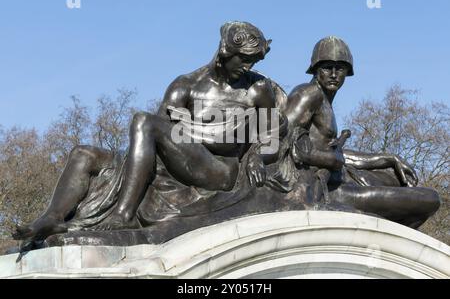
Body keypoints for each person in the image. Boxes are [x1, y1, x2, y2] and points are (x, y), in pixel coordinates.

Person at [14, 21, 285, 243]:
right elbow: (162, 139)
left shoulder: (257, 89)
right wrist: (200, 132)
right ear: (225, 53)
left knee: (144, 121)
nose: (249, 67)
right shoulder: (186, 86)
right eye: (245, 59)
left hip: (219, 171)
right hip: (177, 161)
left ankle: (124, 214)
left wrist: (258, 156)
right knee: (83, 153)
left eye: (253, 61)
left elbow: (271, 137)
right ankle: (53, 216)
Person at [285, 36, 440, 228]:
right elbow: (283, 141)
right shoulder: (307, 94)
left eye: (340, 68)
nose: (333, 74)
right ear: (316, 70)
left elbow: (334, 152)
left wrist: (389, 158)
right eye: (327, 67)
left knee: (394, 180)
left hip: (337, 179)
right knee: (429, 198)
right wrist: (332, 161)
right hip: (323, 189)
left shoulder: (324, 100)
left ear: (347, 72)